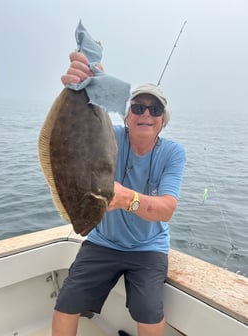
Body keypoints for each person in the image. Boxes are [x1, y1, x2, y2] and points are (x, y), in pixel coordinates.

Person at [52, 52, 186, 336]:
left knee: (148, 312)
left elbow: (166, 209)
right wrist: (88, 84)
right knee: (66, 302)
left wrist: (127, 198)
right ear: (126, 115)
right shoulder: (109, 136)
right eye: (138, 108)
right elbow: (81, 131)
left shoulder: (173, 153)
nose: (146, 114)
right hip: (102, 240)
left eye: (155, 110)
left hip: (148, 247)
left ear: (164, 119)